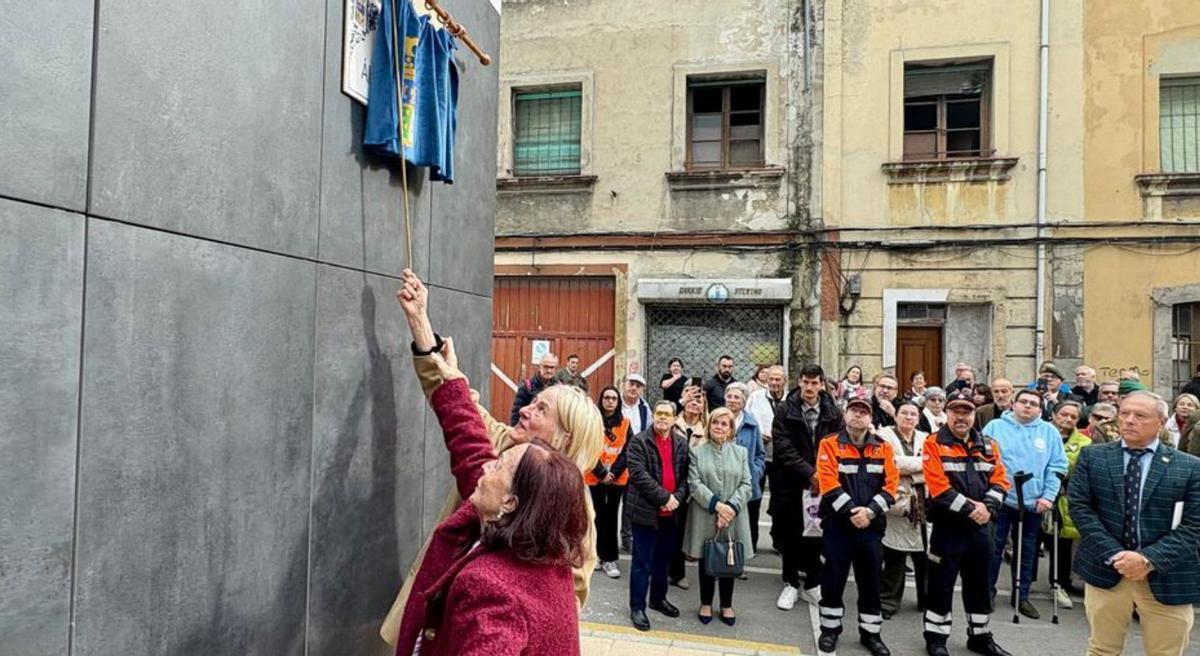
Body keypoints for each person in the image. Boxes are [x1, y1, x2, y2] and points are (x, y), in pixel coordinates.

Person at [380, 270, 604, 648]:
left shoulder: (565, 519)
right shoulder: (505, 442)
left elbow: (563, 603)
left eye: (542, 409)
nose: (527, 410)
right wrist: (422, 324)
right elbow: (461, 413)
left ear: (563, 438)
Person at [1069, 391, 1200, 656]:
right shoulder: (1093, 457)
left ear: (1161, 422)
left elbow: (1194, 526)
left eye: (1140, 415)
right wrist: (1117, 555)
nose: (1129, 420)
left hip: (1167, 574)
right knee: (1102, 650)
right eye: (1125, 413)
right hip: (1107, 570)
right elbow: (1081, 510)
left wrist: (1147, 560)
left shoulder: (1189, 467)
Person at [922, 390, 1013, 656]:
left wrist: (989, 508)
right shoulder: (933, 442)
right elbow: (938, 487)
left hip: (982, 528)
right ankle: (936, 639)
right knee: (941, 583)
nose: (961, 417)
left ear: (974, 415)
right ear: (947, 414)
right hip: (948, 527)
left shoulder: (989, 444)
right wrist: (973, 509)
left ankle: (980, 636)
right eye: (956, 411)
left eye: (967, 412)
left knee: (980, 584)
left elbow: (1000, 481)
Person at [815, 397, 899, 656]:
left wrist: (870, 512)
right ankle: (830, 630)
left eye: (864, 412)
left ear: (870, 418)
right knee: (833, 580)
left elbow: (892, 486)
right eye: (854, 410)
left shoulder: (883, 448)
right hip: (838, 526)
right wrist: (853, 512)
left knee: (870, 582)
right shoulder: (829, 444)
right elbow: (828, 483)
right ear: (845, 414)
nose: (858, 415)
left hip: (871, 528)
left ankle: (871, 634)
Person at [983, 388, 1069, 619]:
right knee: (994, 547)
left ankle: (1021, 596)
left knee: (1027, 550)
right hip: (1001, 499)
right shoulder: (995, 428)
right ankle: (987, 592)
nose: (1027, 406)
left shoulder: (1049, 432)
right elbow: (983, 459)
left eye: (1033, 403)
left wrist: (1049, 496)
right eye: (1023, 402)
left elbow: (1058, 466)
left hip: (1033, 502)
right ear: (1014, 404)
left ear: (1040, 409)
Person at [771, 364, 843, 610]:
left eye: (815, 383)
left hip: (823, 483)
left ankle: (813, 584)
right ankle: (790, 583)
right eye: (806, 382)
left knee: (817, 533)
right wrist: (809, 472)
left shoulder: (833, 413)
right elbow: (783, 448)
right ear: (799, 382)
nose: (810, 387)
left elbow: (837, 445)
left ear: (822, 384)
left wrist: (821, 474)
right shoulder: (784, 410)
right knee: (791, 535)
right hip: (792, 482)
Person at [683, 407, 753, 626]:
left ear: (731, 428)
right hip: (706, 514)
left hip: (734, 514)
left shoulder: (740, 453)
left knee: (728, 560)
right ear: (709, 425)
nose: (719, 427)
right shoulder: (697, 451)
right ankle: (705, 603)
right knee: (707, 559)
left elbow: (747, 484)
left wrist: (731, 507)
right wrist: (718, 506)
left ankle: (726, 604)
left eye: (724, 424)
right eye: (716, 423)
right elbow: (694, 484)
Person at [626, 401, 690, 632]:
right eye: (659, 413)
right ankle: (637, 607)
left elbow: (686, 477)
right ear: (653, 415)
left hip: (671, 513)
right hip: (645, 511)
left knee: (663, 558)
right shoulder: (639, 441)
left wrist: (678, 498)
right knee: (642, 561)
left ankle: (658, 599)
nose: (662, 417)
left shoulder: (681, 444)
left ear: (674, 419)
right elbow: (639, 475)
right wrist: (665, 497)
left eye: (667, 414)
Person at [877, 401, 929, 619]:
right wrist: (919, 467)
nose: (909, 417)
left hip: (923, 503)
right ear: (895, 416)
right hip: (897, 503)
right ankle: (888, 601)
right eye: (904, 413)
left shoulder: (927, 438)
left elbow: (934, 464)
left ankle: (926, 600)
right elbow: (887, 462)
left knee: (925, 556)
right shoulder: (883, 436)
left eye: (913, 414)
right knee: (894, 556)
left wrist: (908, 469)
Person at [1048, 400, 1090, 609]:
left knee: (1062, 542)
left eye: (1073, 417)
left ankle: (1060, 583)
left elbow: (1083, 471)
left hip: (1065, 496)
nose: (1068, 419)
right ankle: (1024, 586)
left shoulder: (1084, 442)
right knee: (1034, 542)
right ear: (1054, 415)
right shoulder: (1042, 434)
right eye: (1064, 414)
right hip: (1038, 495)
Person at [588, 386, 630, 579]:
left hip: (616, 478)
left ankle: (610, 558)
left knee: (611, 517)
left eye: (613, 398)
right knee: (596, 515)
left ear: (618, 401)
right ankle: (596, 554)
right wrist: (601, 473)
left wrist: (612, 473)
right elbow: (588, 448)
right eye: (606, 398)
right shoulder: (592, 422)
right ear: (601, 400)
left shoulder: (626, 424)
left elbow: (627, 451)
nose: (610, 401)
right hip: (595, 476)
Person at [669, 385, 707, 590]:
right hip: (669, 485)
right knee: (666, 529)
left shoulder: (707, 430)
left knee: (684, 530)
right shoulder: (672, 422)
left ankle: (678, 572)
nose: (694, 403)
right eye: (691, 399)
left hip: (693, 488)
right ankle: (663, 569)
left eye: (699, 400)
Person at [747, 365, 787, 551]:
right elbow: (747, 419)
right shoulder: (755, 398)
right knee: (753, 499)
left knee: (781, 502)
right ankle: (751, 543)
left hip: (782, 458)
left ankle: (779, 541)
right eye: (771, 379)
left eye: (778, 379)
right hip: (759, 455)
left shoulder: (791, 400)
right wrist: (758, 432)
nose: (774, 383)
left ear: (784, 381)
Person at [724, 382, 767, 553]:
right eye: (729, 396)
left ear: (743, 401)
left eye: (737, 397)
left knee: (747, 523)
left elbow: (760, 454)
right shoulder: (716, 419)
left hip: (746, 482)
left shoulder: (752, 424)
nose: (732, 400)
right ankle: (720, 559)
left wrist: (756, 472)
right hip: (723, 480)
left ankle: (743, 559)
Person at [620, 374, 652, 553]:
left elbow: (648, 431)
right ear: (624, 385)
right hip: (615, 458)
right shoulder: (616, 403)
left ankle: (627, 537)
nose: (634, 388)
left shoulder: (644, 408)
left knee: (630, 499)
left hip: (635, 458)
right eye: (631, 384)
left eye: (638, 386)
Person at [510, 352, 560, 425]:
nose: (549, 370)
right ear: (539, 367)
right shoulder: (527, 387)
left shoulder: (560, 388)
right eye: (546, 367)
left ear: (556, 369)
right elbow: (517, 413)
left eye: (552, 367)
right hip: (531, 431)